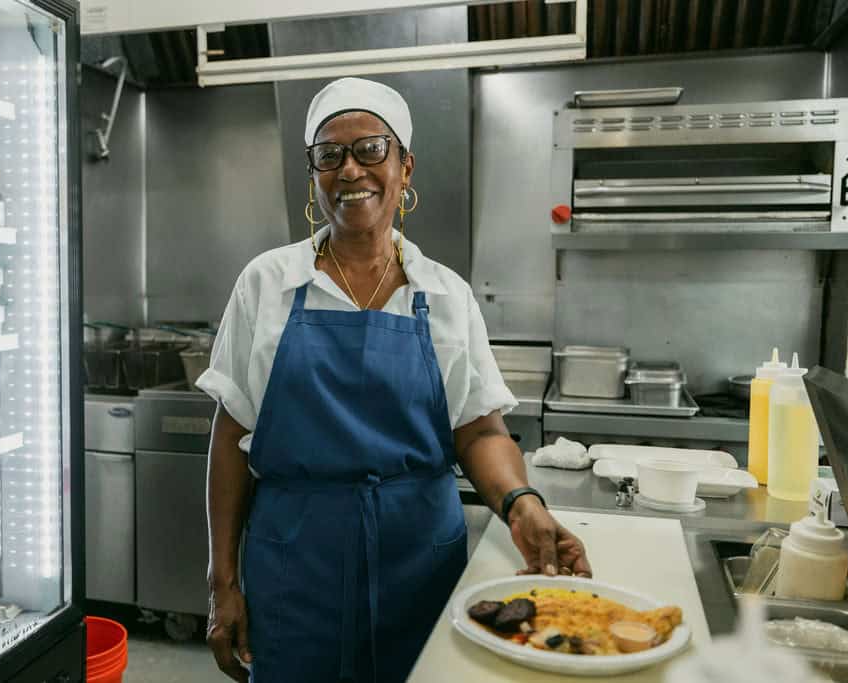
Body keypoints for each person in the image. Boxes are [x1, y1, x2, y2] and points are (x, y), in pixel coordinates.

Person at [197, 77, 591, 683]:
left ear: (405, 166)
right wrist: (222, 583)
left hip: (419, 563)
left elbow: (480, 430)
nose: (350, 169)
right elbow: (230, 438)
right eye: (329, 156)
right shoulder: (267, 284)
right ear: (314, 174)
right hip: (295, 564)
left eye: (370, 150)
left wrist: (521, 503)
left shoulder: (446, 293)